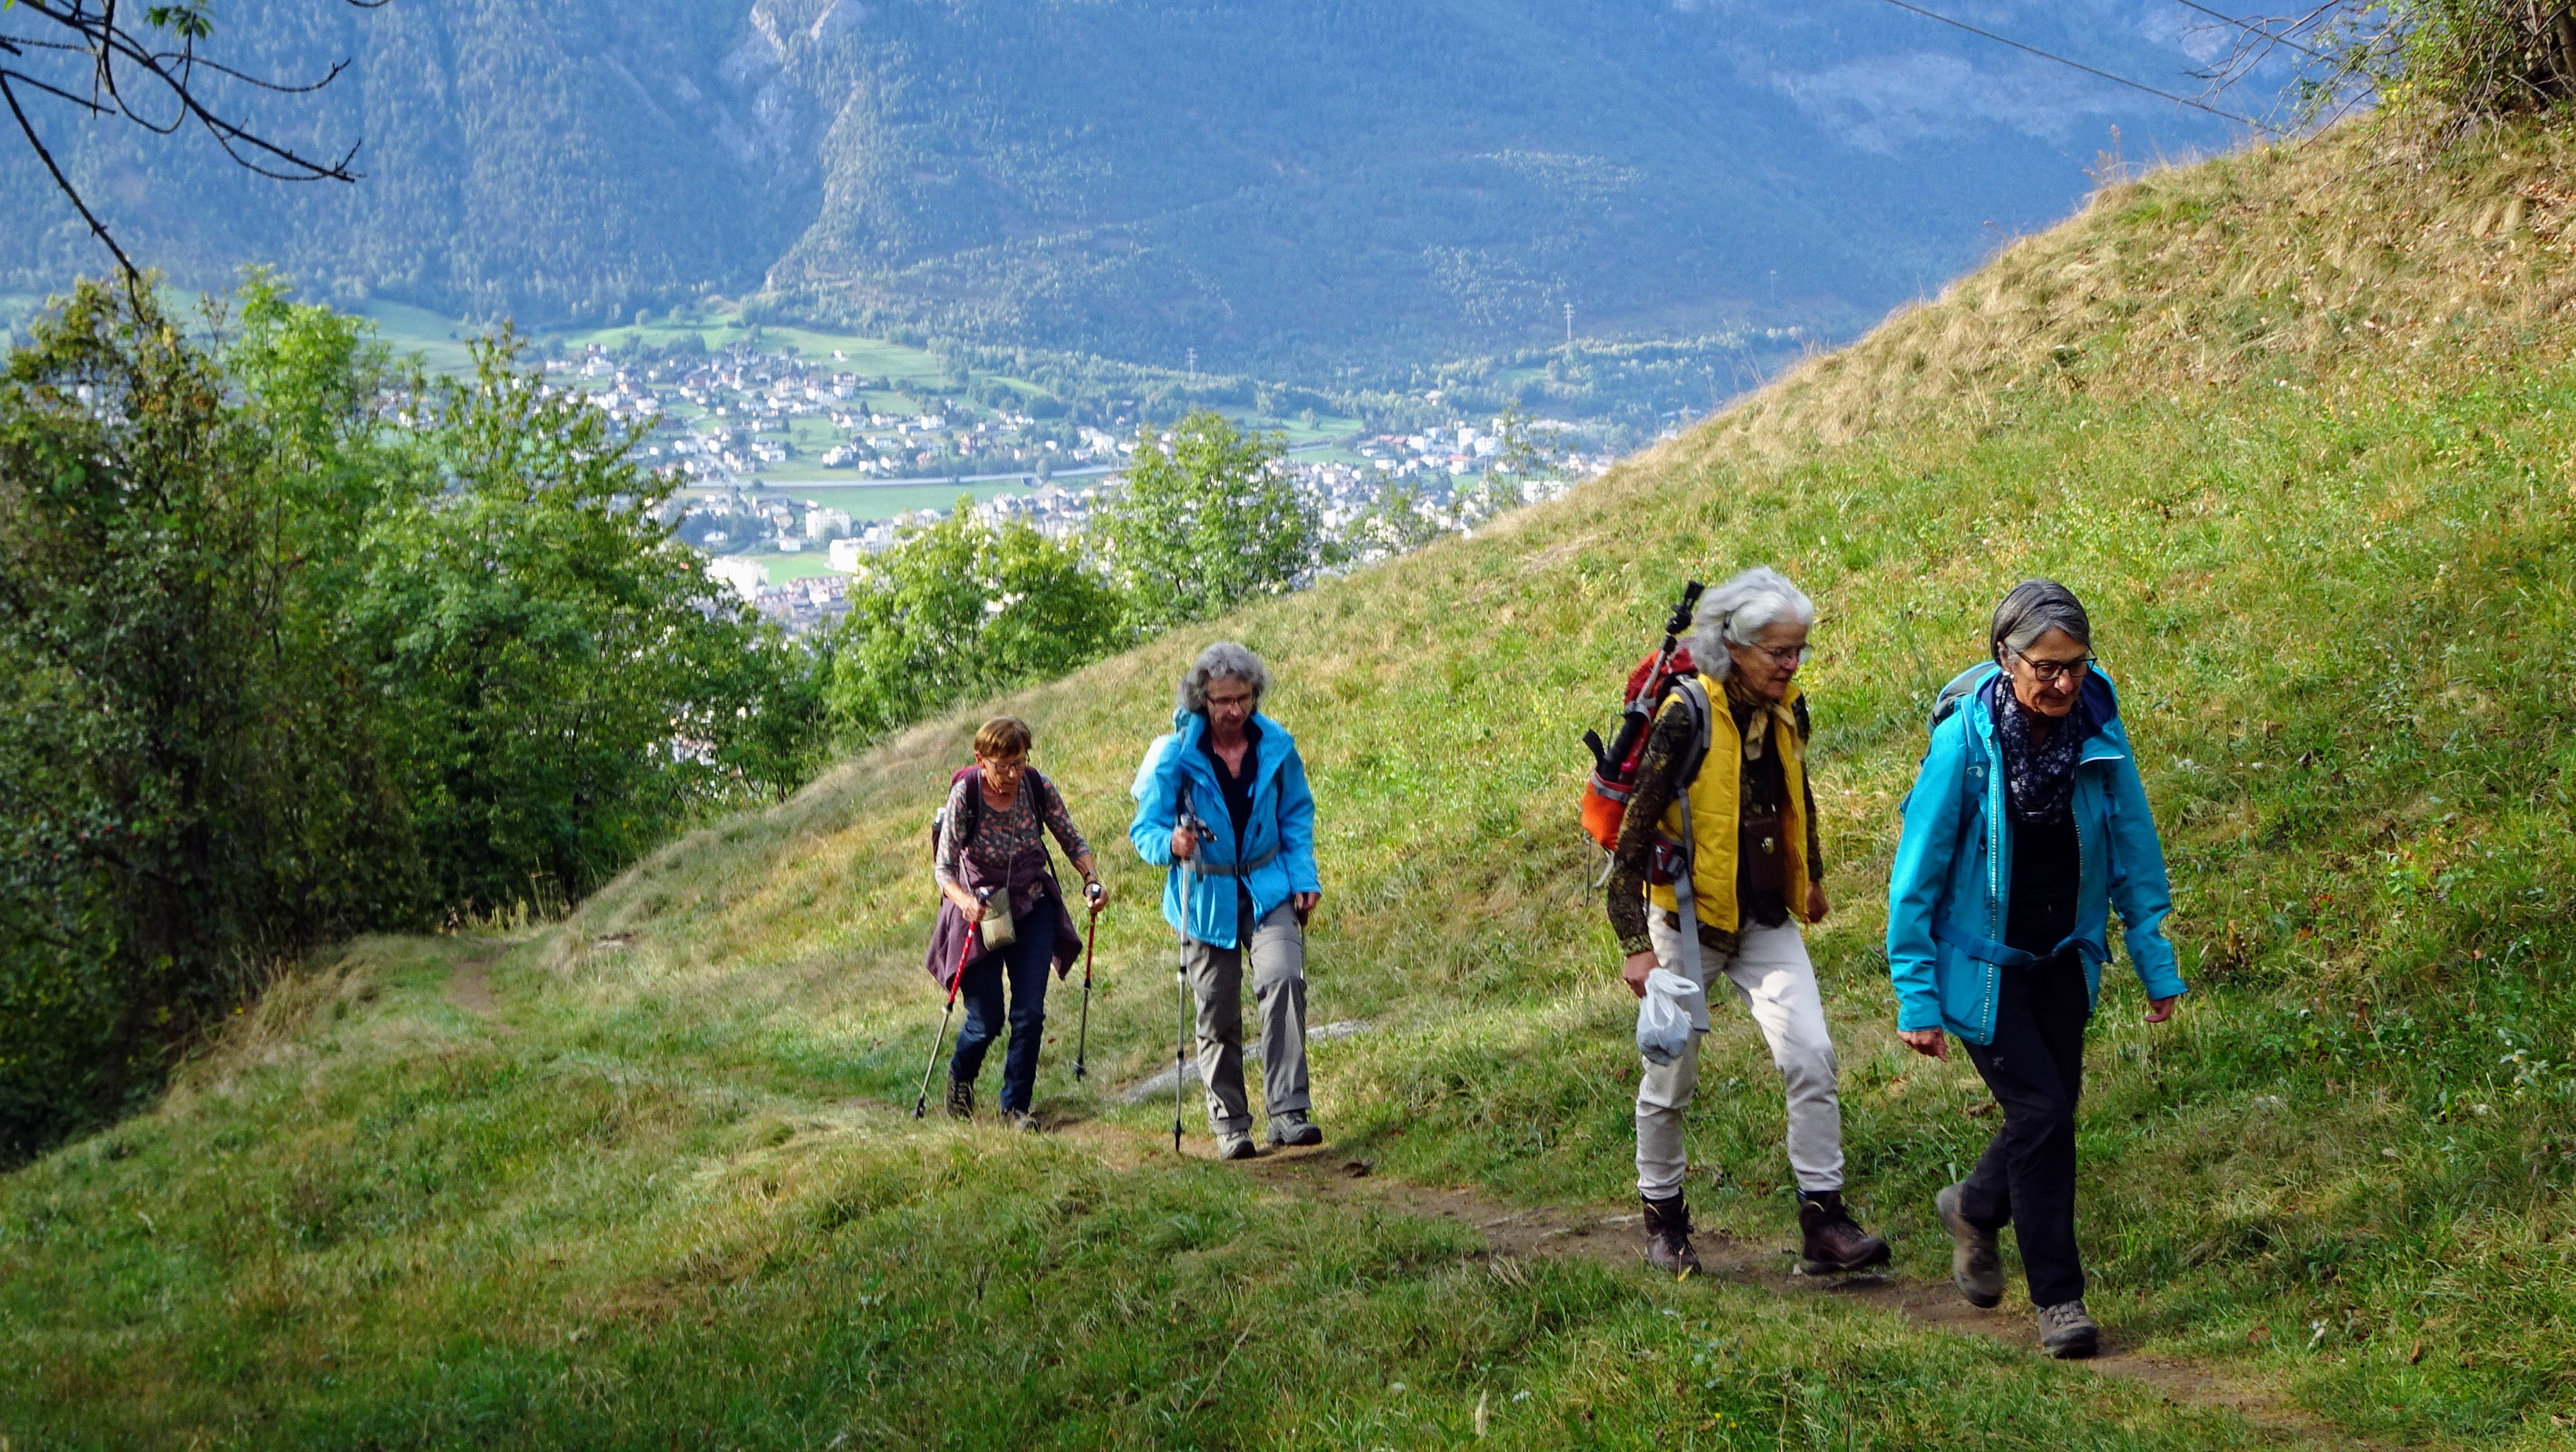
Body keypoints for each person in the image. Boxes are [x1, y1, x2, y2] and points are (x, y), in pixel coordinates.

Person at [1885, 579, 2186, 1359]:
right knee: (2044, 1114)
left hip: (2063, 960)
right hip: (1982, 971)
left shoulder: (2097, 725)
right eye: (2045, 667)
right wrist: (1916, 996)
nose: (2062, 683)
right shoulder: (1964, 745)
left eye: (2075, 665)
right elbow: (1916, 875)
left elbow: (2133, 842)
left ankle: (1976, 1206)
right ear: (2005, 658)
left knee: (2046, 1115)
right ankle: (2060, 1301)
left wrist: (2155, 962)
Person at [1605, 567, 1890, 1279]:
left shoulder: (1789, 709)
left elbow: (1799, 793)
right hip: (1685, 922)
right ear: (1733, 647)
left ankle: (1824, 1222)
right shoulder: (1685, 715)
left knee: (1812, 1055)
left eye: (1799, 650)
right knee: (1669, 1075)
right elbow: (1631, 841)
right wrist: (1636, 945)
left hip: (1764, 917)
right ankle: (1664, 1221)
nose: (1792, 664)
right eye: (1779, 652)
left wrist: (1811, 876)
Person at [1129, 642, 1323, 1160]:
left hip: (1268, 886)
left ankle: (1289, 1112)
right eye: (1221, 701)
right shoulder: (1176, 754)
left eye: (1243, 698)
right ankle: (1231, 1124)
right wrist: (1170, 843)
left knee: (1283, 980)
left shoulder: (1276, 745)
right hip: (1204, 896)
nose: (1234, 710)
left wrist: (1304, 877)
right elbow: (1144, 829)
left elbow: (1295, 816)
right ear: (1203, 700)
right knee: (1217, 1011)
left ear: (1255, 694)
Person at [928, 715, 1107, 1131]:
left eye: (1019, 762)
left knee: (1029, 1014)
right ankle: (961, 1077)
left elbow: (1071, 839)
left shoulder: (1036, 786)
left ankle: (1015, 1108)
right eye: (1002, 765)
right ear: (980, 759)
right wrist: (965, 903)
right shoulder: (966, 794)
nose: (1012, 774)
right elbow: (944, 869)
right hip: (980, 910)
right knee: (986, 1019)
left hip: (1032, 903)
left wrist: (1091, 880)